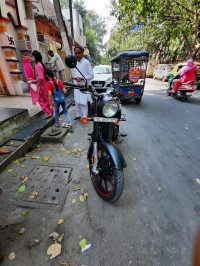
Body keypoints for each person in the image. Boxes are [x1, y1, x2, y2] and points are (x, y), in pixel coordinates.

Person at [29, 51, 53, 119]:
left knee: (41, 100)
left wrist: (34, 81)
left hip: (42, 86)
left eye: (33, 56)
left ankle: (48, 112)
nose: (32, 58)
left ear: (35, 57)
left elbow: (40, 78)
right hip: (45, 85)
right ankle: (51, 112)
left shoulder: (38, 66)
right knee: (48, 99)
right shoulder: (42, 64)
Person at [72, 46, 94, 120]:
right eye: (76, 53)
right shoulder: (75, 63)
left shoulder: (86, 63)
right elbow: (76, 74)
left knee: (83, 101)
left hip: (84, 85)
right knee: (77, 100)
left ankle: (84, 116)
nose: (77, 55)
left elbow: (91, 75)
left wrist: (83, 78)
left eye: (79, 53)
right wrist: (75, 78)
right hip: (76, 85)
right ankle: (78, 114)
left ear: (82, 53)